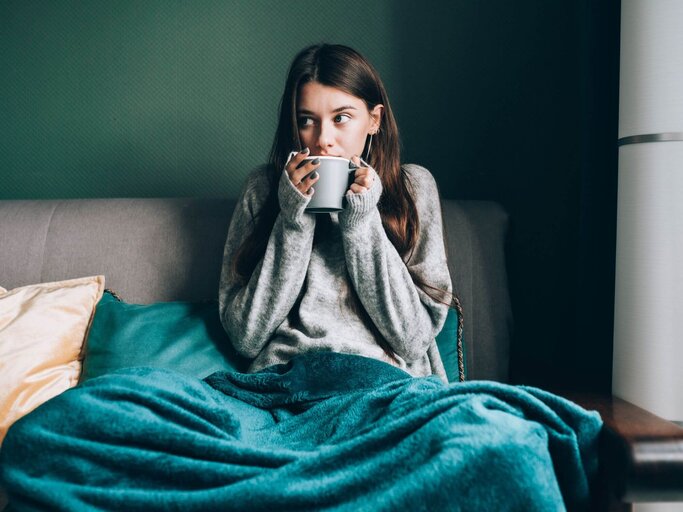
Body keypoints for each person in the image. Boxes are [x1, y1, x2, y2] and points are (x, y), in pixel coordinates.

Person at [218, 43, 454, 382]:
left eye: (341, 118)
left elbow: (414, 339)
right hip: (285, 381)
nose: (322, 139)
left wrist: (361, 221)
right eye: (306, 121)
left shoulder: (413, 188)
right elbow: (246, 337)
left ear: (374, 120)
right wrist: (293, 220)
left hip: (383, 383)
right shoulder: (263, 189)